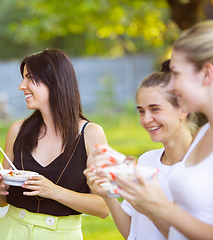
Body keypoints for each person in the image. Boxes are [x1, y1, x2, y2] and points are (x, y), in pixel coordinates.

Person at [91, 20, 213, 239]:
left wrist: (155, 205)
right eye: (141, 111)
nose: (172, 86)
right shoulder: (205, 136)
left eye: (177, 74)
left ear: (206, 74)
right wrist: (112, 190)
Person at [0, 49, 110, 240]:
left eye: (30, 77)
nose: (21, 86)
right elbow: (1, 200)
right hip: (11, 232)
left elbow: (104, 207)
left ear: (55, 81)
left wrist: (54, 191)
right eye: (23, 77)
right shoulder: (17, 131)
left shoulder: (91, 134)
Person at [84, 60, 198, 240]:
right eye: (141, 111)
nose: (146, 119)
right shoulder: (146, 161)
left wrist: (149, 207)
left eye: (155, 109)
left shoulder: (200, 168)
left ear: (183, 109)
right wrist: (107, 195)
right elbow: (132, 232)